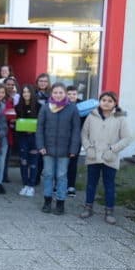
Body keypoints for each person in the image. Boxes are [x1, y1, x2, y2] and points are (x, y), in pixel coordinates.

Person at [79, 91, 132, 224]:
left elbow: (127, 138)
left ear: (115, 103)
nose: (106, 103)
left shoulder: (120, 117)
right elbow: (84, 134)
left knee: (109, 185)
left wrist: (113, 150)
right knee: (91, 184)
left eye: (110, 101)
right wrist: (88, 148)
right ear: (100, 101)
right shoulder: (92, 116)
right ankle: (88, 207)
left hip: (110, 157)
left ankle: (109, 211)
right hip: (93, 156)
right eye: (104, 100)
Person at [36, 82, 81, 215]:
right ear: (51, 93)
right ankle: (47, 201)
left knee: (62, 176)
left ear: (65, 94)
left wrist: (73, 148)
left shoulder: (72, 108)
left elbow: (76, 130)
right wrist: (41, 145)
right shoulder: (45, 108)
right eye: (55, 92)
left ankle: (60, 202)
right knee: (48, 174)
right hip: (47, 149)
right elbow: (39, 129)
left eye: (61, 92)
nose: (58, 95)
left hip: (65, 150)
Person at [15, 85, 41, 197]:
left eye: (28, 92)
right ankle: (25, 184)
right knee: (23, 160)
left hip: (35, 137)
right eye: (24, 92)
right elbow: (15, 120)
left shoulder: (39, 106)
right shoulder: (18, 107)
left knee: (34, 162)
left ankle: (31, 185)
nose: (26, 94)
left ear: (32, 93)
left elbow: (42, 123)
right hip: (22, 137)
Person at [66, 85, 83, 197]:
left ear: (77, 95)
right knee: (61, 163)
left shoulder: (83, 106)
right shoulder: (61, 105)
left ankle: (71, 186)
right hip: (63, 138)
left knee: (73, 163)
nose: (72, 96)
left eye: (74, 94)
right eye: (69, 94)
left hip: (76, 139)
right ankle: (57, 185)